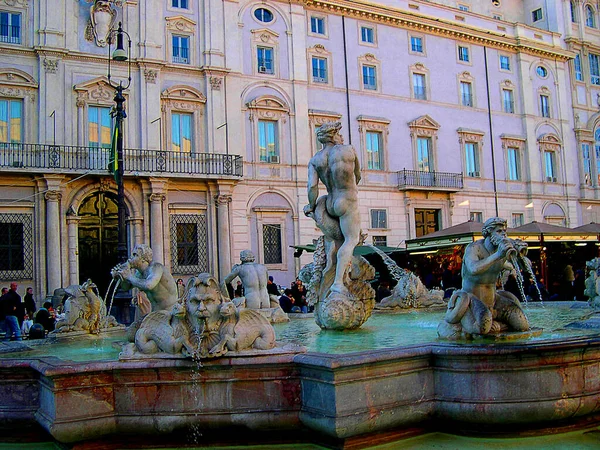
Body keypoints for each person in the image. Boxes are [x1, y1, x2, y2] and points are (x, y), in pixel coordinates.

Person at [438, 217, 529, 338]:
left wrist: (522, 256)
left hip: (494, 299)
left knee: (522, 325)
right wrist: (498, 255)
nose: (503, 235)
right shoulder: (474, 248)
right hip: (471, 299)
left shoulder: (502, 249)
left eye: (504, 231)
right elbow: (474, 269)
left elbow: (526, 267)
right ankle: (479, 324)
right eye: (499, 231)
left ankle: (496, 323)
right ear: (488, 233)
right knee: (483, 327)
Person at [304, 121, 361, 295]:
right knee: (351, 240)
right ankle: (337, 283)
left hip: (329, 202)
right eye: (339, 133)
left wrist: (311, 205)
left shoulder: (315, 160)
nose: (342, 136)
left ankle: (333, 273)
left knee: (336, 242)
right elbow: (358, 175)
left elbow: (312, 187)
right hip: (346, 200)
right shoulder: (348, 150)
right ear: (335, 134)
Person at [111, 244, 179, 313]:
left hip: (170, 310)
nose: (131, 258)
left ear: (144, 259)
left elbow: (149, 285)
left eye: (135, 255)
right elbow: (126, 287)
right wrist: (122, 277)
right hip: (155, 312)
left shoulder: (156, 267)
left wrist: (129, 276)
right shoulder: (139, 274)